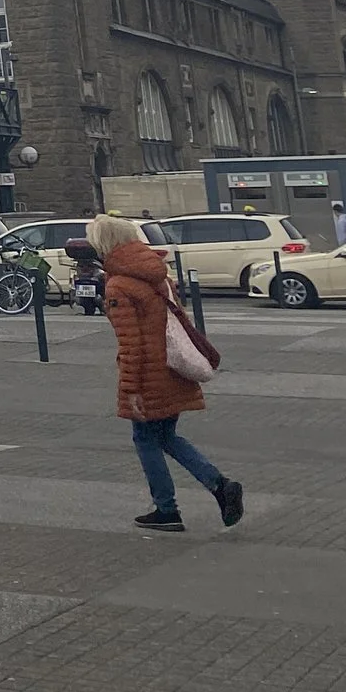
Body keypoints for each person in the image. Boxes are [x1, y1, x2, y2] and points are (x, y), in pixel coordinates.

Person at [90, 213, 242, 532]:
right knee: (166, 436)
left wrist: (130, 389)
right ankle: (219, 486)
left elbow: (131, 344)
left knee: (145, 438)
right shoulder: (157, 274)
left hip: (149, 375)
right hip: (172, 369)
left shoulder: (118, 285)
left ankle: (168, 508)